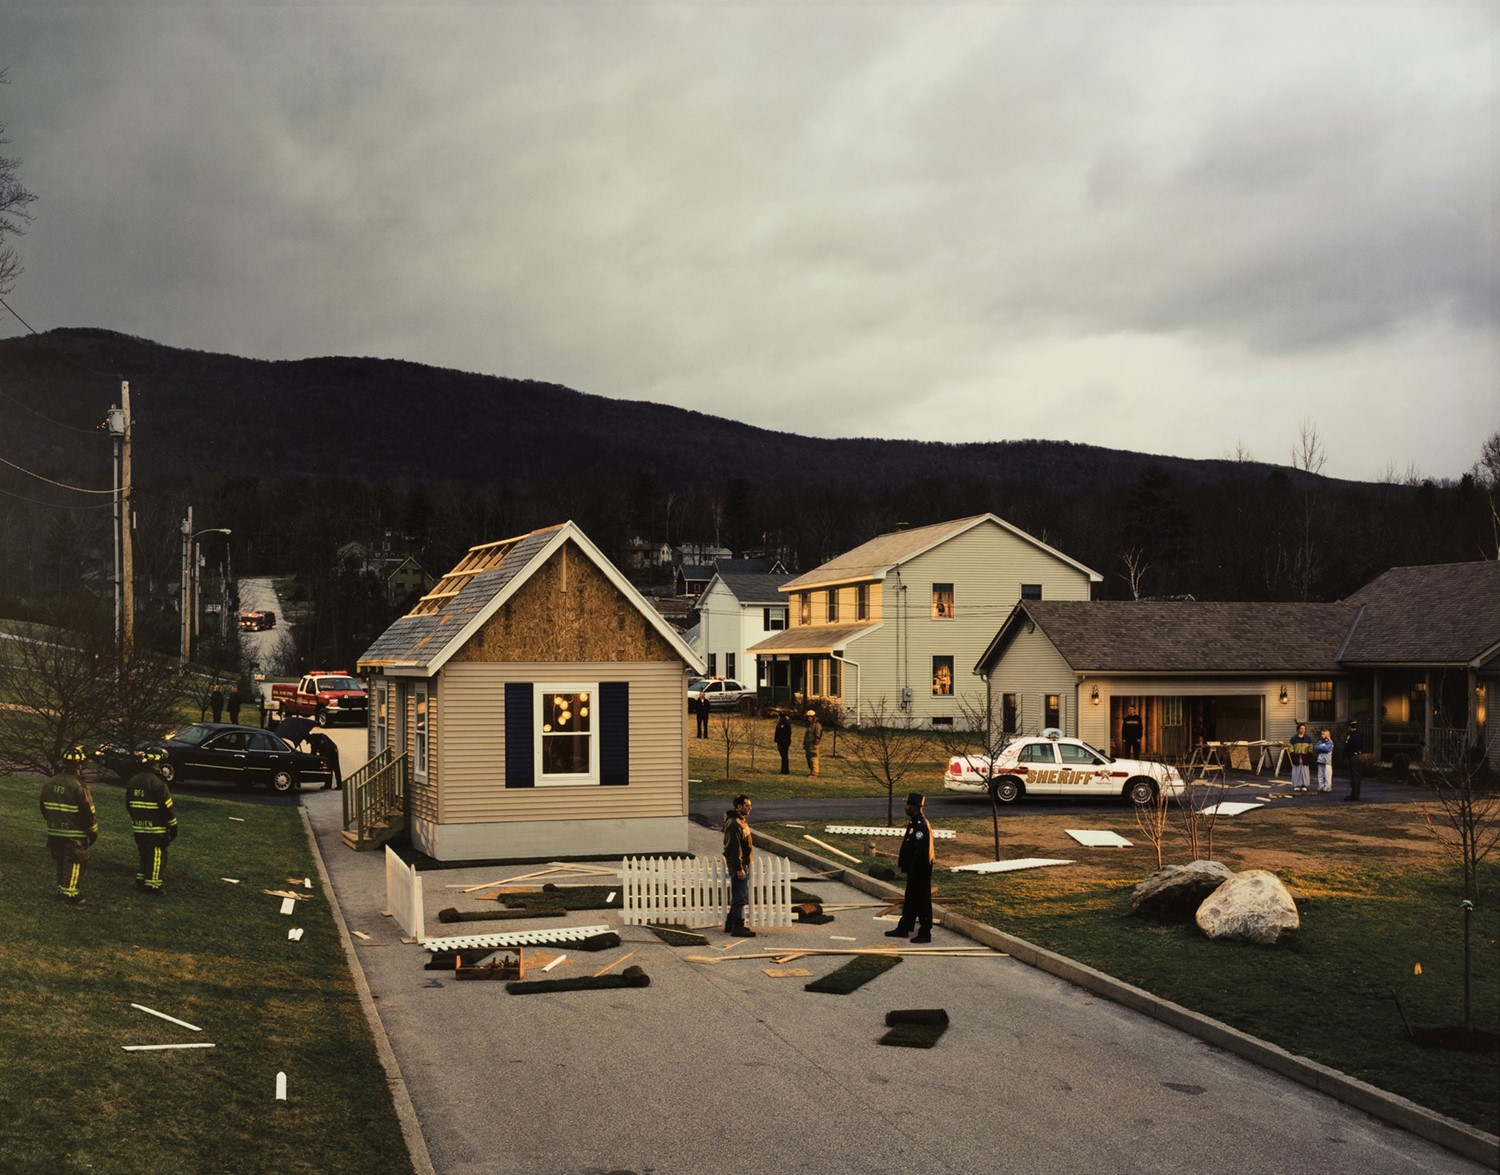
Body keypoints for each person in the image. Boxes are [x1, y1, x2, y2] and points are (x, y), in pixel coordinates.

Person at [40, 746, 97, 904]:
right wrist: (93, 831)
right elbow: (88, 813)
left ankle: (62, 889)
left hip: (54, 830)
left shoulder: (50, 783)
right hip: (74, 834)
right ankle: (70, 894)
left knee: (61, 860)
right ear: (80, 766)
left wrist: (54, 822)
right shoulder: (80, 786)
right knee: (75, 861)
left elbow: (43, 808)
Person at [125, 749, 178, 894]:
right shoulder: (158, 783)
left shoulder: (133, 781)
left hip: (138, 827)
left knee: (144, 854)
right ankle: (153, 884)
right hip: (156, 828)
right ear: (155, 764)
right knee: (156, 855)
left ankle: (141, 878)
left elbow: (129, 805)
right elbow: (167, 807)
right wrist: (173, 826)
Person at [885, 792, 935, 943]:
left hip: (920, 870)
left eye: (907, 805)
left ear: (914, 807)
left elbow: (921, 852)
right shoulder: (915, 823)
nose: (905, 807)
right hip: (914, 870)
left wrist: (915, 871)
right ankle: (904, 928)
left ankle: (925, 933)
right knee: (911, 900)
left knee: (922, 902)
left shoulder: (921, 826)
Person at [721, 794, 755, 937]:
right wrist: (739, 867)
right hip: (738, 864)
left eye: (750, 805)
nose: (750, 808)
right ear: (739, 806)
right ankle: (738, 927)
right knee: (740, 896)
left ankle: (730, 924)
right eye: (747, 806)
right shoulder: (734, 823)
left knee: (738, 894)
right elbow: (734, 848)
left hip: (743, 863)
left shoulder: (741, 821)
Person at [1288, 722, 1314, 792]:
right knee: (1296, 771)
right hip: (1296, 756)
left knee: (1305, 771)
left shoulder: (1308, 738)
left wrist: (1309, 753)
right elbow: (1290, 747)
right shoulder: (1293, 738)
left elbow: (1311, 747)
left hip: (1305, 757)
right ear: (1298, 729)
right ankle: (1297, 785)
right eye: (1301, 728)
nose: (1303, 730)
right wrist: (1292, 754)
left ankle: (1304, 785)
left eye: (1304, 729)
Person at [1342, 720, 1364, 802]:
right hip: (1357, 756)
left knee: (1353, 776)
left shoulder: (1351, 736)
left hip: (1352, 757)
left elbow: (1348, 746)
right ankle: (1355, 794)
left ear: (1350, 727)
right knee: (1356, 776)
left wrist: (1344, 755)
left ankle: (1354, 795)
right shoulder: (1359, 735)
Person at [1314, 728, 1334, 794]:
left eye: (1323, 734)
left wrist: (1320, 748)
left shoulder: (1330, 742)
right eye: (1321, 734)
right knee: (1320, 774)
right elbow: (1315, 747)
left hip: (1327, 761)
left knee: (1327, 774)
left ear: (1326, 734)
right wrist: (1321, 747)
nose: (1322, 735)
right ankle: (1321, 786)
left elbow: (1326, 749)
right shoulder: (1320, 741)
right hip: (1320, 760)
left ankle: (1328, 787)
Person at [803, 709, 822, 777]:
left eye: (810, 717)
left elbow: (818, 735)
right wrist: (804, 743)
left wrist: (816, 744)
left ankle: (815, 772)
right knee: (808, 757)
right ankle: (812, 770)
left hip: (813, 743)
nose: (809, 718)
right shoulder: (809, 725)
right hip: (808, 744)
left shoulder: (817, 725)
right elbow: (806, 735)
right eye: (808, 717)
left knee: (813, 757)